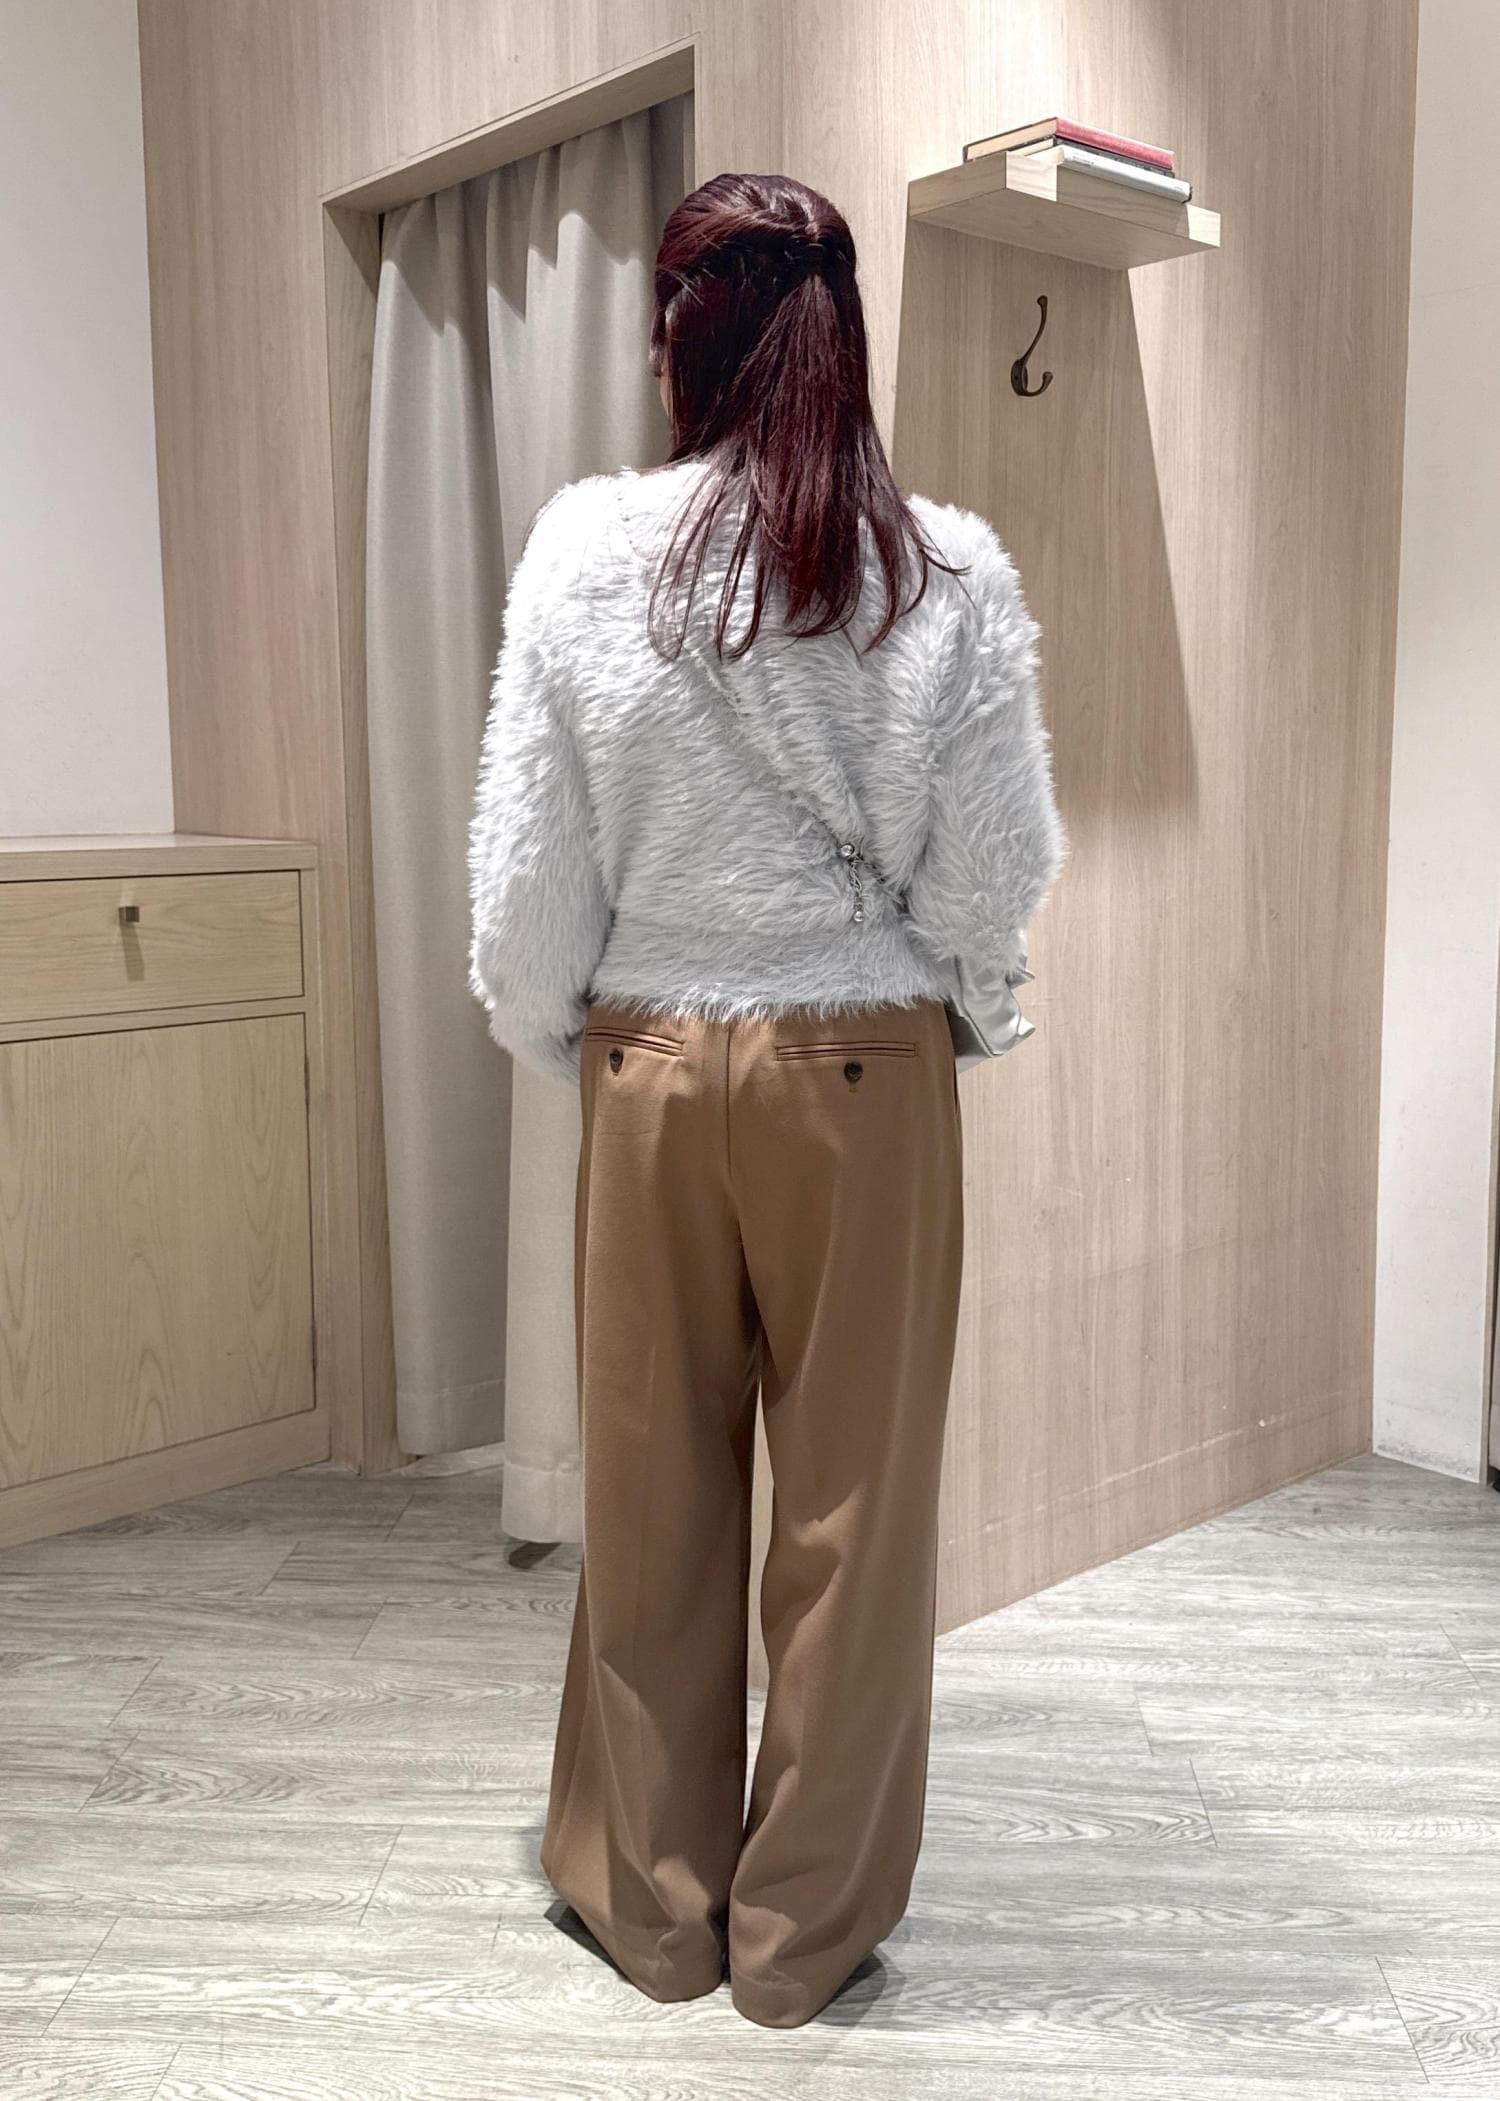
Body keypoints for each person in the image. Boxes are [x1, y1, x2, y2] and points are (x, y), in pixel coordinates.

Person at [467, 170, 1068, 2029]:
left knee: (648, 1494)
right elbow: (998, 875)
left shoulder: (581, 551)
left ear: (682, 336)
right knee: (856, 1517)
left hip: (650, 1061)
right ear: (842, 338)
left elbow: (522, 883)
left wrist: (569, 1038)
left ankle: (655, 1910)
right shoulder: (944, 571)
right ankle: (798, 1942)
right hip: (867, 1073)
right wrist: (946, 999)